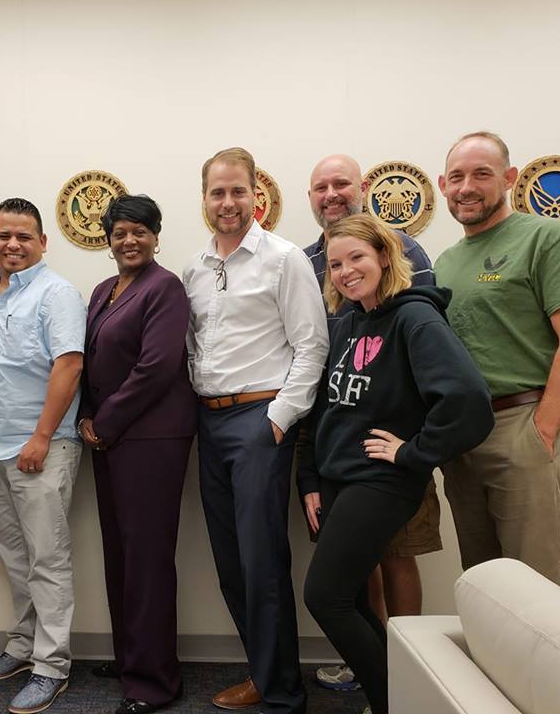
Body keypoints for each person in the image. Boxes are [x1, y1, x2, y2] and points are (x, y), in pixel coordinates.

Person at [299, 213, 494, 714]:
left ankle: (394, 701)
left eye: (357, 258)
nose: (345, 271)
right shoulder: (350, 323)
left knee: (325, 597)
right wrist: (312, 478)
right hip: (340, 478)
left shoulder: (415, 318)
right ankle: (406, 694)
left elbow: (469, 400)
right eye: (336, 263)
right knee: (357, 601)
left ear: (385, 257)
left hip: (382, 482)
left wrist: (412, 451)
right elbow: (329, 408)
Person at [183, 147, 328, 714]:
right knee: (229, 559)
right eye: (217, 192)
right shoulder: (195, 267)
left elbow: (311, 344)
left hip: (259, 419)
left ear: (255, 196)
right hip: (209, 420)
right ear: (204, 199)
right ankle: (265, 674)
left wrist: (278, 418)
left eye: (237, 191)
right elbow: (194, 344)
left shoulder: (283, 258)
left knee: (262, 560)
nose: (228, 202)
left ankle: (284, 695)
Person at [436, 131, 560, 594]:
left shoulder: (548, 238)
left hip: (524, 422)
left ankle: (551, 671)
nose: (467, 186)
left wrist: (543, 430)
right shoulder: (446, 263)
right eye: (457, 177)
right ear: (442, 185)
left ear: (510, 178)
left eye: (481, 174)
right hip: (464, 435)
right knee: (484, 584)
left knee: (541, 585)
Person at [302, 154, 439, 693]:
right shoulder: (312, 264)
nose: (331, 193)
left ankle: (408, 675)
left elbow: (431, 359)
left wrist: (413, 447)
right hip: (339, 446)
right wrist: (310, 470)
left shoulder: (407, 266)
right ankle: (375, 667)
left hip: (389, 448)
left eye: (341, 184)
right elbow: (323, 372)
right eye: (320, 187)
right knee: (353, 578)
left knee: (395, 553)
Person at [0, 197, 86, 714]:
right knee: (14, 557)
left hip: (40, 446)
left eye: (24, 236)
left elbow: (69, 366)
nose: (13, 244)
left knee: (47, 559)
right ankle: (21, 646)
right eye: (3, 235)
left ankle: (52, 665)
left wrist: (39, 436)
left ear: (42, 241)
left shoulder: (57, 294)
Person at [78, 195, 196, 714]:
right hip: (109, 438)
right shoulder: (105, 289)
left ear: (155, 236)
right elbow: (90, 358)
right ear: (108, 238)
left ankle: (154, 681)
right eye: (120, 232)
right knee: (120, 553)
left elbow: (157, 366)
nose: (130, 240)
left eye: (140, 231)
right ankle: (132, 656)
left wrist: (103, 423)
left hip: (151, 439)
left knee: (146, 558)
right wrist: (86, 416)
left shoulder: (165, 287)